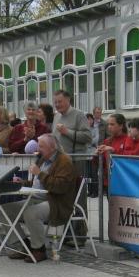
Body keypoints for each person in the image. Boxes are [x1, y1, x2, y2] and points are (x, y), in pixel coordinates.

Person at [0, 133, 76, 263]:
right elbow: (38, 184)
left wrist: (39, 173)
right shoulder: (43, 159)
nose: (38, 149)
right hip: (36, 198)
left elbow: (60, 186)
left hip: (56, 202)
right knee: (3, 209)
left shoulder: (64, 161)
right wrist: (22, 182)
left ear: (52, 147)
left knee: (31, 213)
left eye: (41, 146)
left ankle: (39, 249)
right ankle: (22, 246)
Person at [52, 89, 92, 239]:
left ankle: (80, 235)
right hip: (60, 163)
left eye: (60, 101)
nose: (57, 105)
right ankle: (67, 234)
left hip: (76, 162)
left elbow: (87, 137)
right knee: (64, 198)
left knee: (78, 198)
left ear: (68, 100)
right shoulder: (56, 116)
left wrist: (67, 131)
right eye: (55, 102)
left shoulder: (79, 115)